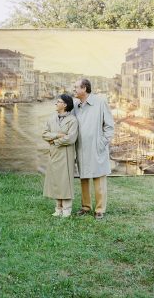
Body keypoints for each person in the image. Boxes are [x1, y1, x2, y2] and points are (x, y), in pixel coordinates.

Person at [73, 78, 114, 219]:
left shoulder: (100, 102)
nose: (74, 90)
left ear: (84, 88)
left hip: (96, 148)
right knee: (83, 178)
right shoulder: (75, 106)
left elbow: (109, 126)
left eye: (76, 87)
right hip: (81, 148)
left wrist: (101, 143)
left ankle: (100, 210)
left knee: (99, 178)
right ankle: (85, 207)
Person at [42, 94, 78, 217]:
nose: (56, 103)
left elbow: (71, 138)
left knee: (65, 181)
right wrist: (58, 135)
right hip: (54, 154)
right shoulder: (51, 119)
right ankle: (58, 208)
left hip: (66, 154)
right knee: (56, 181)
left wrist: (55, 141)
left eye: (58, 101)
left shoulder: (73, 120)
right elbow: (44, 134)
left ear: (65, 104)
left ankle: (67, 209)